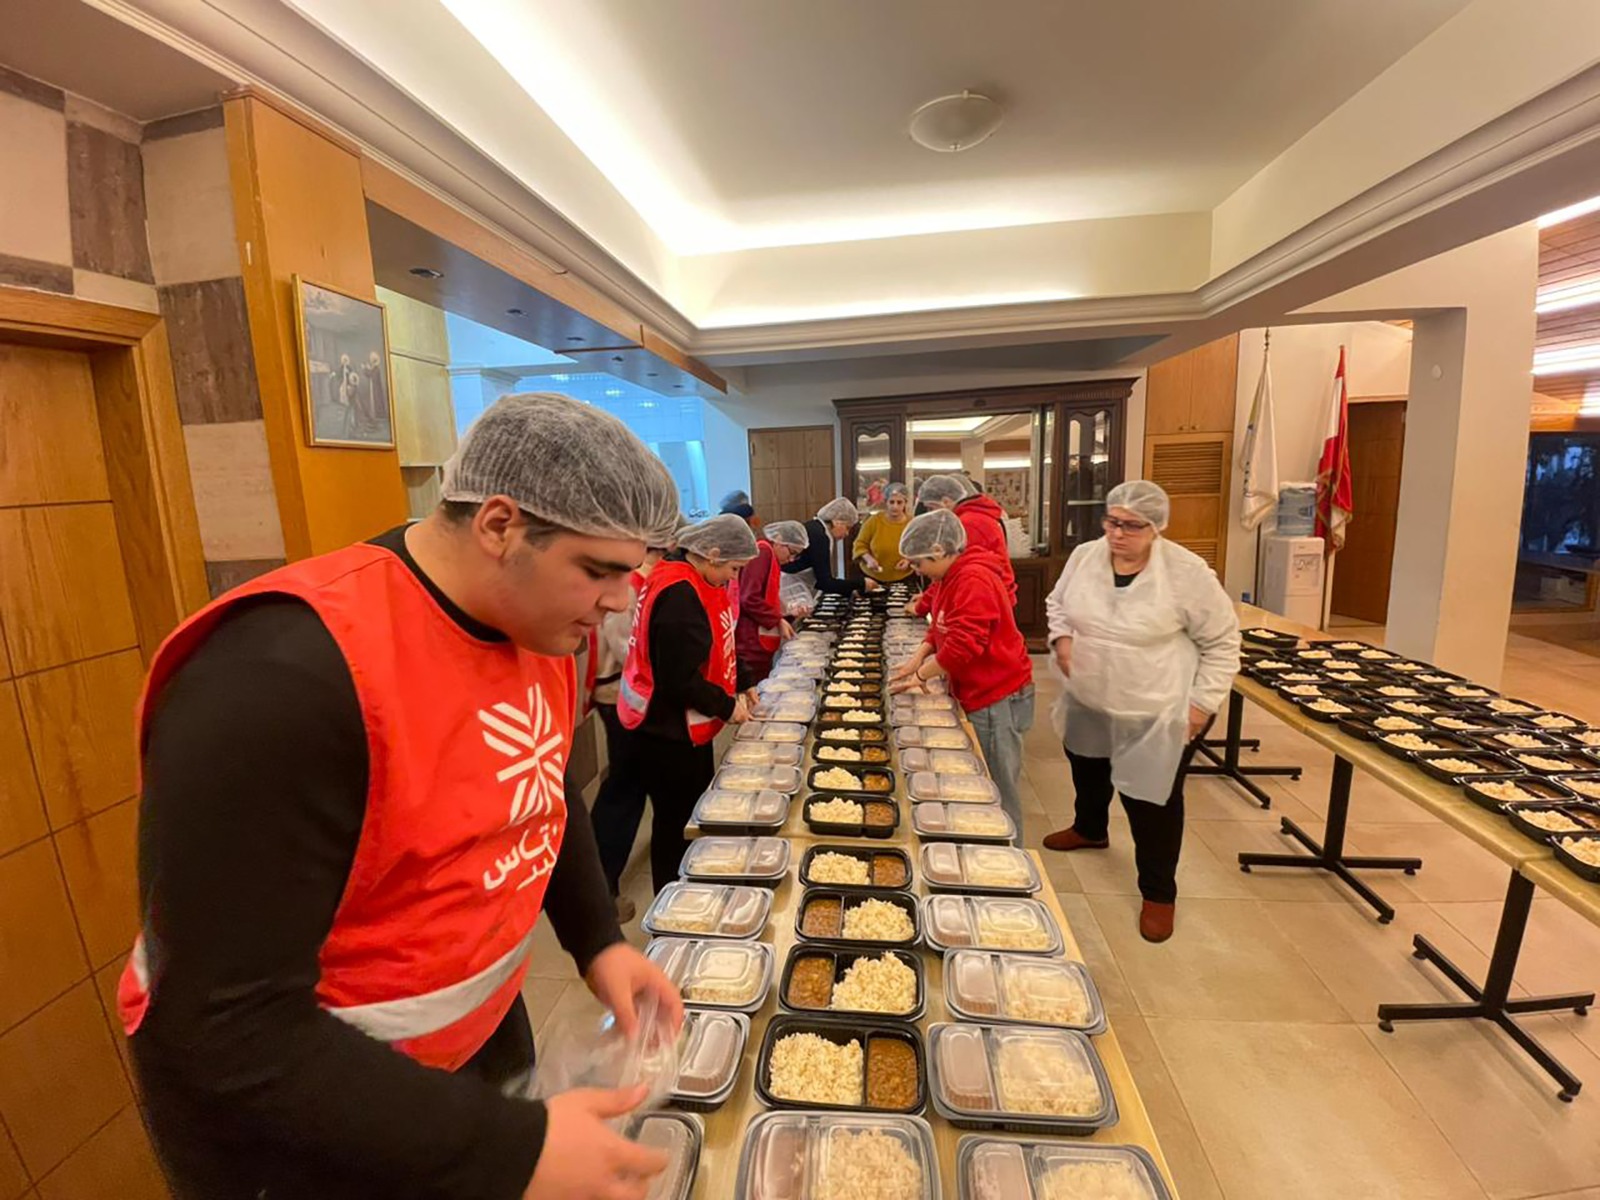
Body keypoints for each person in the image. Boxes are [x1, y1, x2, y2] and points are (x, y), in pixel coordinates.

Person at [120, 393, 687, 1200]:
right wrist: (511, 1147)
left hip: (467, 1048)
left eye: (631, 572)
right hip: (306, 1116)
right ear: (499, 525)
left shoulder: (538, 628)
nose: (623, 600)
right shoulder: (281, 676)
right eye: (598, 571)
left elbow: (538, 782)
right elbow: (225, 1027)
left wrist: (598, 941)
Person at [1040, 480, 1240, 945]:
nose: (1117, 533)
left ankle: (1158, 893)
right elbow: (1057, 604)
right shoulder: (1085, 557)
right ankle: (1090, 829)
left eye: (1132, 526)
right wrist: (1063, 638)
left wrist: (1201, 705)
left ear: (1156, 528)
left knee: (1152, 801)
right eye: (1112, 522)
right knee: (1086, 765)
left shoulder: (1186, 574)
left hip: (1156, 702)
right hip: (1091, 693)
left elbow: (1222, 642)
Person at [616, 513, 759, 893]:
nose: (732, 578)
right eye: (733, 568)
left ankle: (691, 880)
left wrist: (744, 680)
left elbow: (718, 637)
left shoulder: (696, 578)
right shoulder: (679, 594)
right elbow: (679, 679)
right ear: (712, 554)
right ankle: (674, 895)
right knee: (676, 821)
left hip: (677, 725)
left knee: (690, 809)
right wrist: (726, 706)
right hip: (665, 730)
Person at [889, 510, 1035, 839]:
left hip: (996, 693)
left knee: (995, 787)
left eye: (918, 563)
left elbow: (962, 647)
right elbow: (941, 624)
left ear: (938, 550)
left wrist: (922, 676)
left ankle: (1007, 854)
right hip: (976, 687)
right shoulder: (949, 576)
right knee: (982, 779)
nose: (917, 571)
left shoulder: (973, 579)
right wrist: (918, 657)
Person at [588, 539, 671, 923]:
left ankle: (601, 882)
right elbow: (628, 649)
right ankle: (600, 890)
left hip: (631, 695)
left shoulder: (642, 580)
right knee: (624, 791)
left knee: (630, 787)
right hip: (620, 696)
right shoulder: (630, 585)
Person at [917, 473, 1016, 602]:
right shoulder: (974, 517)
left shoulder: (968, 524)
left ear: (946, 501)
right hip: (986, 593)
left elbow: (950, 568)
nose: (932, 514)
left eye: (932, 508)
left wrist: (923, 604)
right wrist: (928, 598)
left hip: (983, 597)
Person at [736, 519, 809, 686]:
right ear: (779, 541)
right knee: (755, 689)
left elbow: (766, 598)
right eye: (792, 552)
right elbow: (748, 598)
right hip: (750, 641)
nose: (791, 559)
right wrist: (778, 620)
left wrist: (788, 614)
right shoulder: (763, 552)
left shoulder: (772, 558)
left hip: (760, 639)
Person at [782, 496, 870, 595]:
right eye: (847, 528)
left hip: (794, 586)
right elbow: (825, 583)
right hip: (790, 589)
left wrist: (850, 590)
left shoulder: (815, 527)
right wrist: (861, 583)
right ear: (837, 522)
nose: (847, 534)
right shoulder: (820, 536)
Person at [852, 482, 915, 584]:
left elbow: (917, 548)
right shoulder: (874, 521)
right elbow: (860, 544)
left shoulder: (912, 524)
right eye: (891, 502)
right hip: (873, 576)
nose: (895, 506)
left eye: (899, 502)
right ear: (886, 502)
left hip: (904, 577)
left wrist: (908, 560)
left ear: (905, 503)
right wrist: (868, 559)